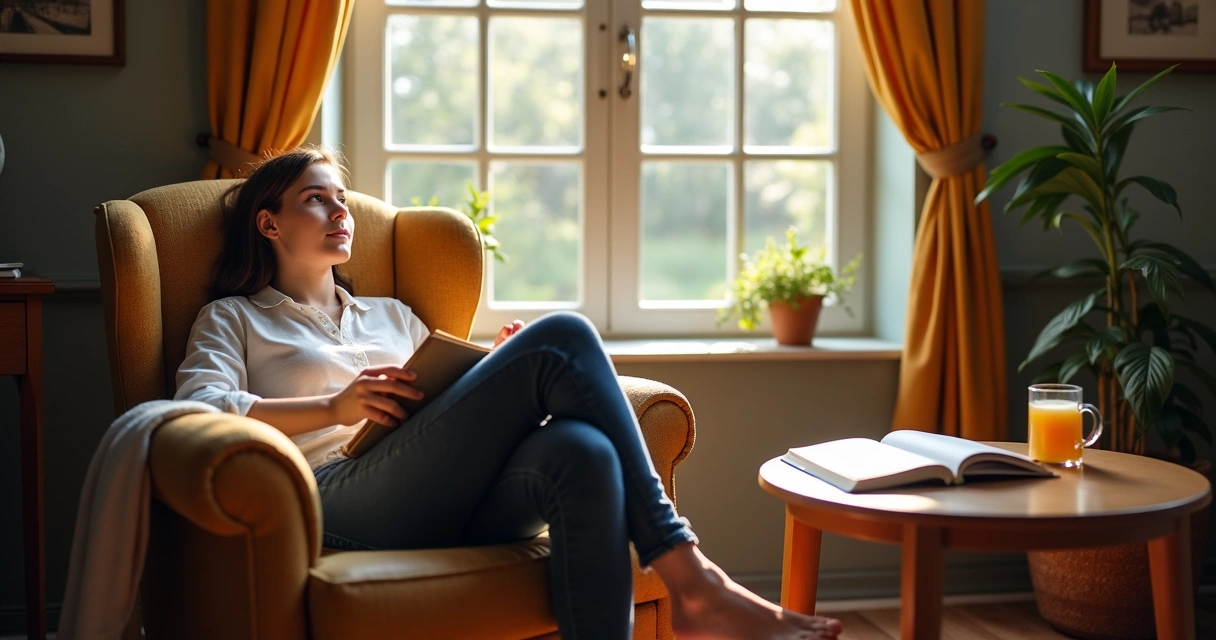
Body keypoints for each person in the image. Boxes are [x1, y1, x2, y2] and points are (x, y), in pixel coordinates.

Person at [174, 145, 844, 640]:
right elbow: (198, 410)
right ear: (270, 224)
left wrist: (493, 368)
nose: (339, 210)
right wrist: (334, 406)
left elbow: (444, 413)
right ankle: (694, 580)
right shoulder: (234, 318)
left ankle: (682, 594)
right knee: (563, 337)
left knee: (582, 450)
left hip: (443, 492)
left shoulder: (393, 316)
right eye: (315, 199)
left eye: (341, 198)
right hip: (336, 497)